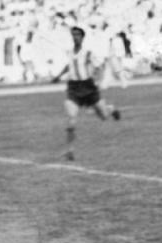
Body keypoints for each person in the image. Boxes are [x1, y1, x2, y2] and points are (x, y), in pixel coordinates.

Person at [51, 26, 120, 162]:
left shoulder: (88, 53)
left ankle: (110, 109)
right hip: (73, 88)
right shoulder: (70, 52)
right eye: (73, 35)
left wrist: (99, 80)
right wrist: (58, 76)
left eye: (77, 35)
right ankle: (69, 150)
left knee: (104, 116)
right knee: (71, 119)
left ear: (82, 37)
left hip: (88, 87)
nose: (75, 37)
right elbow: (69, 65)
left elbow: (99, 66)